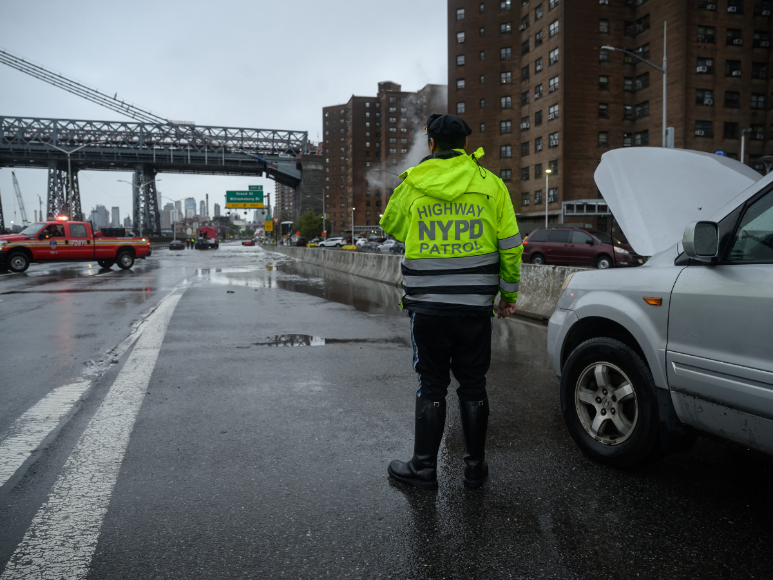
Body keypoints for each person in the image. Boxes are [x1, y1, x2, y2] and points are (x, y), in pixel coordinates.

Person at [379, 113, 522, 490]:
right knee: (474, 384)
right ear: (463, 144)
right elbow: (510, 247)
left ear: (431, 143)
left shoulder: (414, 184)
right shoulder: (491, 184)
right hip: (474, 307)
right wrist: (508, 296)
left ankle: (424, 468)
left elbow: (390, 226)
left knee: (432, 382)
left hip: (428, 307)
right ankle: (475, 469)